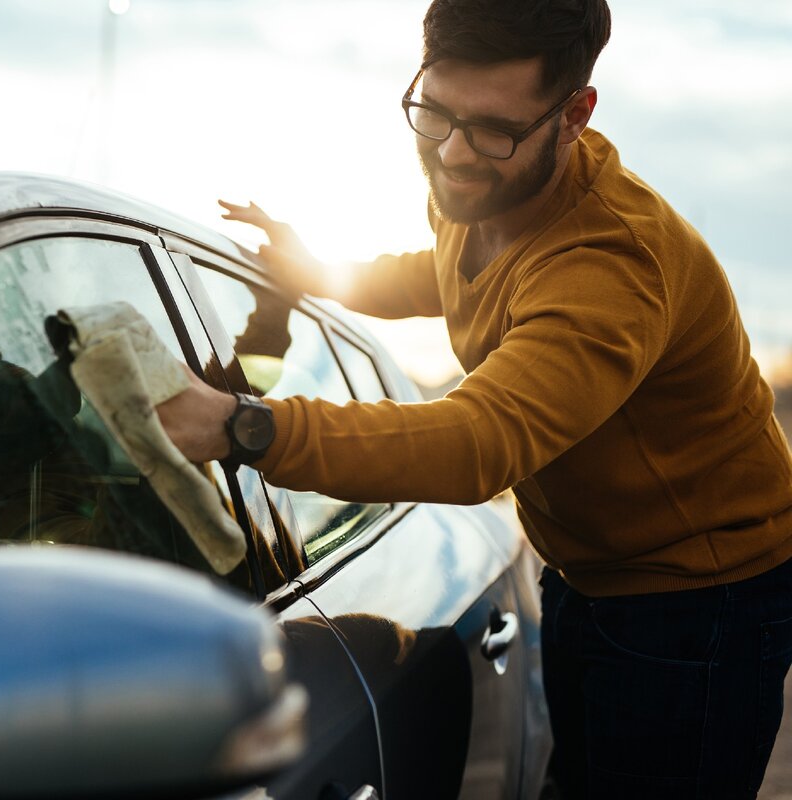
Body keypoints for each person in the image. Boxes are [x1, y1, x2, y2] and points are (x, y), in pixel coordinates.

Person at [155, 0, 792, 797]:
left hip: (700, 596)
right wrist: (318, 271)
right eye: (434, 112)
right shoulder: (482, 183)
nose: (453, 153)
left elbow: (477, 442)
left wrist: (247, 427)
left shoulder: (612, 264)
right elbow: (448, 274)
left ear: (574, 116)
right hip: (585, 567)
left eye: (491, 129)